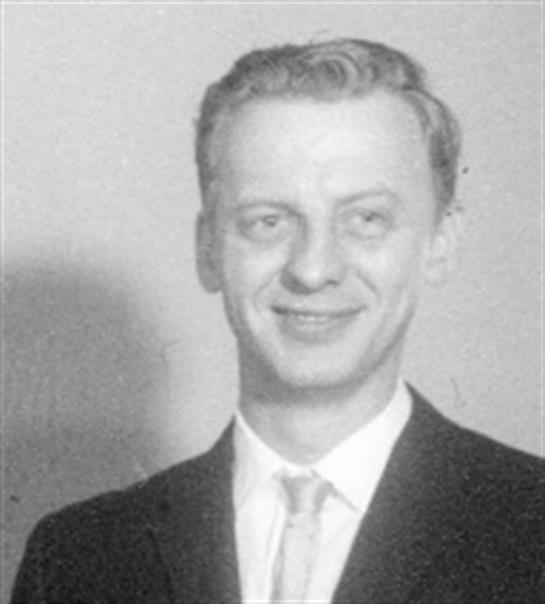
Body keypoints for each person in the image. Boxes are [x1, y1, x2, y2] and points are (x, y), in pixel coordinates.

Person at [11, 38, 542, 604]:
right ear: (208, 247)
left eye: (366, 219)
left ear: (440, 243)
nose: (313, 269)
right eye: (268, 222)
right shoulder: (75, 560)